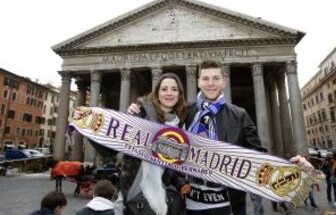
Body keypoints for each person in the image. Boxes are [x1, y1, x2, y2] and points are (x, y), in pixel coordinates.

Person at [127, 61, 316, 215]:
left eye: (216, 78)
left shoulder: (239, 115)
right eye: (206, 78)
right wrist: (138, 111)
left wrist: (290, 165)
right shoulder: (185, 113)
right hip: (191, 205)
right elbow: (159, 127)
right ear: (198, 81)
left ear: (223, 81)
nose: (211, 83)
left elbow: (258, 155)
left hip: (229, 205)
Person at [115, 73, 189, 215]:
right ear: (157, 93)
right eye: (164, 89)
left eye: (174, 89)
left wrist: (181, 183)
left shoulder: (179, 124)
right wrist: (128, 118)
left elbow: (174, 166)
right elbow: (118, 142)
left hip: (166, 196)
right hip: (137, 192)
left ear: (179, 94)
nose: (169, 93)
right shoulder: (141, 113)